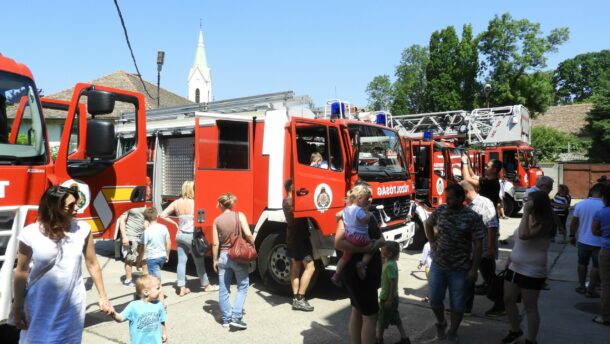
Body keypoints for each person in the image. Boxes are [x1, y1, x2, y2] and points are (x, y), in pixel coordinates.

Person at [12, 186, 114, 343]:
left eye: (77, 204)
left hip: (71, 306)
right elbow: (21, 271)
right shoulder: (30, 233)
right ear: (54, 207)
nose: (77, 209)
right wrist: (17, 307)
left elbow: (92, 264)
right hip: (39, 305)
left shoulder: (83, 230)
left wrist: (103, 297)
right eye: (71, 206)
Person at [424, 184, 484, 343]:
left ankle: (452, 331)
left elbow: (478, 244)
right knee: (435, 300)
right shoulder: (441, 210)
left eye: (450, 198)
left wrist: (474, 269)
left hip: (460, 269)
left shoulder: (472, 216)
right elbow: (428, 224)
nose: (447, 201)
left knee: (457, 305)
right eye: (446, 197)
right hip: (439, 265)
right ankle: (442, 322)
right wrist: (431, 242)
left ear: (460, 199)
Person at [502, 191, 556, 344]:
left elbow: (524, 235)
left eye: (529, 201)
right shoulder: (529, 216)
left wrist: (525, 212)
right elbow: (519, 242)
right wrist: (510, 258)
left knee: (530, 307)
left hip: (532, 269)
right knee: (508, 299)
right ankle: (514, 330)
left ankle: (531, 340)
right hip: (514, 266)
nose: (526, 203)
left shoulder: (545, 222)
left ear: (537, 204)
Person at [160, 181, 218, 296]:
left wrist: (175, 224)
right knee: (199, 262)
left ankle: (181, 288)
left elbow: (162, 215)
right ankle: (206, 285)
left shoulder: (177, 202)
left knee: (181, 262)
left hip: (180, 235)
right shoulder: (195, 203)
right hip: (192, 236)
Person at [335, 211, 385, 344]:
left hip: (358, 273)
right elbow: (339, 243)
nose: (369, 199)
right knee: (371, 316)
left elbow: (381, 238)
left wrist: (379, 242)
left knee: (357, 310)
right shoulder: (346, 217)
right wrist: (368, 248)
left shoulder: (366, 215)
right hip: (361, 275)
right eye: (365, 197)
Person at [212, 193, 254, 330]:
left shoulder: (216, 221)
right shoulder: (239, 215)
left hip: (223, 256)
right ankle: (236, 316)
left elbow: (215, 243)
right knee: (242, 286)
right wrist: (252, 245)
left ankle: (226, 319)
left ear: (221, 204)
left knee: (224, 289)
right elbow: (248, 234)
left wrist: (214, 260)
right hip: (237, 256)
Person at [459, 180, 500, 316]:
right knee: (468, 278)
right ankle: (466, 308)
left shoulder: (484, 203)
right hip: (471, 250)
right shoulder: (467, 205)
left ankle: (501, 305)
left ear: (466, 192)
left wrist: (489, 248)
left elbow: (492, 226)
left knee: (489, 279)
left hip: (484, 250)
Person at [282, 179, 315, 312]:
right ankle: (300, 299)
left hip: (293, 238)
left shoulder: (286, 201)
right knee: (310, 267)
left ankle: (296, 298)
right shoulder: (292, 203)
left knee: (295, 268)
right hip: (299, 239)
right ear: (292, 187)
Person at [332, 184, 373, 285]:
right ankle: (362, 264)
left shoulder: (346, 210)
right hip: (361, 238)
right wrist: (367, 212)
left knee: (345, 257)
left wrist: (339, 220)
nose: (368, 201)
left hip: (349, 237)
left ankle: (336, 275)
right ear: (359, 199)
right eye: (366, 199)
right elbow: (365, 221)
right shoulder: (359, 210)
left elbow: (337, 214)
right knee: (371, 247)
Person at [109, 275, 168, 344]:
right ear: (146, 292)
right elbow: (121, 318)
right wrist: (113, 314)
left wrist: (164, 334)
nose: (161, 290)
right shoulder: (133, 306)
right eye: (158, 288)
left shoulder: (159, 304)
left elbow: (162, 321)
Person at [570, 183, 604, 298]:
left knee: (582, 263)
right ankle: (590, 289)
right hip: (599, 242)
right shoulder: (604, 206)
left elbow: (574, 222)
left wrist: (571, 235)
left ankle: (581, 286)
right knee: (596, 266)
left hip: (583, 240)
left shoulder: (581, 204)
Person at [377, 241, 411, 344]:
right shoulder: (389, 263)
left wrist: (389, 299)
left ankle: (379, 340)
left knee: (382, 320)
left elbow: (393, 282)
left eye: (383, 249)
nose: (381, 250)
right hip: (391, 297)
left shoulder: (390, 265)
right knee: (395, 318)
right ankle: (404, 338)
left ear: (390, 253)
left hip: (387, 297)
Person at [592, 184, 610, 326]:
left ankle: (605, 316)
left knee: (606, 284)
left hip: (607, 250)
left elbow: (594, 231)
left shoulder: (601, 213)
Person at [138, 208, 170, 283]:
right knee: (154, 277)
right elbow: (168, 242)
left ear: (146, 219)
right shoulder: (163, 227)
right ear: (157, 216)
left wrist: (139, 261)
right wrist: (167, 255)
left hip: (152, 258)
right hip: (162, 256)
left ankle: (160, 294)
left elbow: (142, 247)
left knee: (155, 281)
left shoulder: (146, 231)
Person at [118, 206, 147, 287]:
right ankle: (128, 280)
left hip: (142, 235)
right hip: (131, 235)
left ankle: (145, 281)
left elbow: (146, 220)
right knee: (130, 259)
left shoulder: (144, 204)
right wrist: (124, 237)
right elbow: (122, 221)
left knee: (145, 258)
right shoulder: (129, 205)